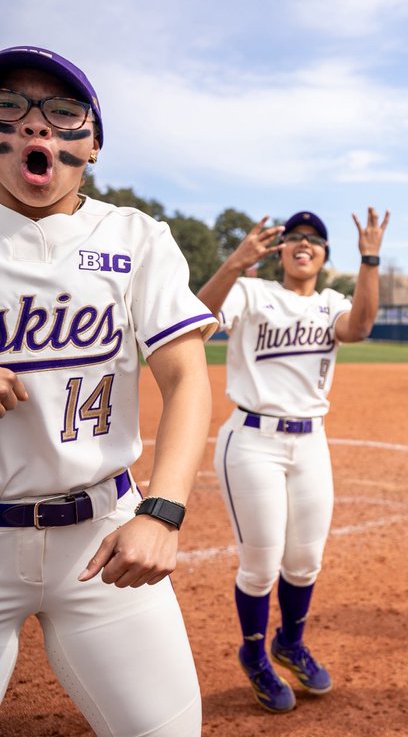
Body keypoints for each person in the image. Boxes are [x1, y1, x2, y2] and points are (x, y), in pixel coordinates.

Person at [0, 45, 216, 735]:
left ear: (91, 144)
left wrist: (163, 511)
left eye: (62, 113)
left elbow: (185, 378)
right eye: (10, 108)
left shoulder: (135, 236)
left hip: (100, 537)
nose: (38, 128)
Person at [197, 207, 389, 713]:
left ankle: (290, 643)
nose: (304, 243)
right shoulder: (251, 293)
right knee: (260, 567)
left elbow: (362, 326)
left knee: (304, 562)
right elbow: (196, 317)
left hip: (310, 444)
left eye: (315, 240)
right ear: (281, 250)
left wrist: (370, 258)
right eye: (295, 237)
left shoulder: (331, 303)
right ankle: (255, 653)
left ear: (324, 257)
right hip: (253, 440)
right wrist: (234, 264)